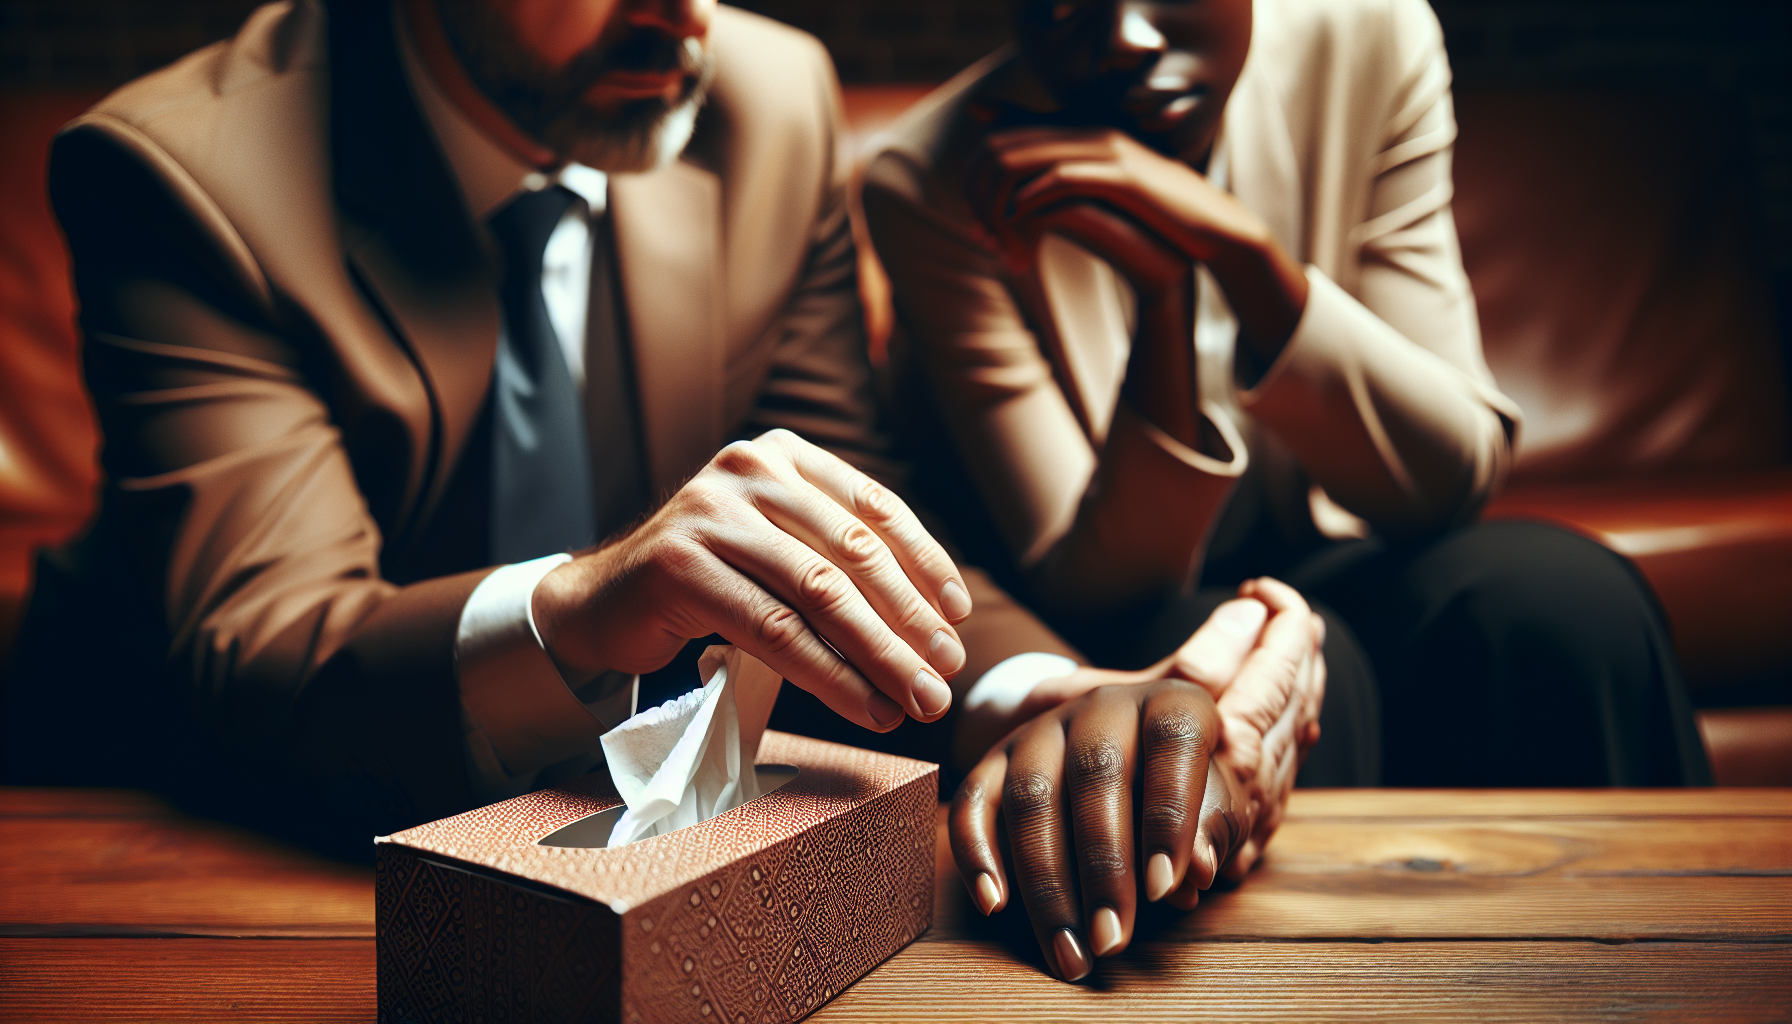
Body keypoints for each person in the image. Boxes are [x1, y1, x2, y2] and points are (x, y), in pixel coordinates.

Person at [16, 0, 1322, 983]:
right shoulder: (180, 170)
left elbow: (846, 526)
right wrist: (586, 605)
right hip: (215, 851)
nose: (682, 9)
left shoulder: (765, 96)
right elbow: (264, 646)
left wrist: (1046, 695)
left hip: (638, 883)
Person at [862, 0, 1710, 796]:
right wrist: (1165, 296)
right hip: (1117, 617)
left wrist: (1242, 255)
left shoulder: (1368, 41)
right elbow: (1097, 583)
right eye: (1065, 2)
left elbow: (1453, 479)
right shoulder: (935, 177)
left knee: (1564, 598)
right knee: (1266, 670)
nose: (1125, 36)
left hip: (1333, 546)